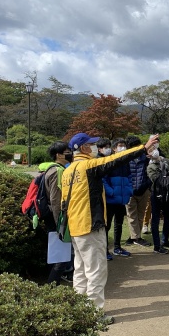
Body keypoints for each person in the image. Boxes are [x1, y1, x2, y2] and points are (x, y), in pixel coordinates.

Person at [61, 132, 159, 321]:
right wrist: (142, 148)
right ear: (83, 149)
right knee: (96, 270)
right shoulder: (88, 165)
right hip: (90, 225)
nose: (95, 148)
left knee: (80, 270)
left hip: (74, 227)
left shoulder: (67, 170)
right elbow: (116, 159)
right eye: (91, 145)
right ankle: (94, 314)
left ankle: (78, 310)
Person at [45, 141, 73, 285]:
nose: (70, 153)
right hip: (57, 219)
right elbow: (56, 200)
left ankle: (53, 283)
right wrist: (60, 225)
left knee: (56, 255)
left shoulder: (49, 169)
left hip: (51, 217)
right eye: (66, 151)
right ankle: (51, 287)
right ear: (58, 155)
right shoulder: (57, 171)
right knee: (60, 256)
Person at [147, 139, 169, 254]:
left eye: (154, 149)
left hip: (168, 195)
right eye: (151, 151)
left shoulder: (168, 161)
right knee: (155, 220)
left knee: (168, 218)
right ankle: (157, 245)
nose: (154, 152)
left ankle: (165, 240)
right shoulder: (150, 166)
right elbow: (157, 180)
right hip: (156, 195)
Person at [103, 138, 132, 258]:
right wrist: (111, 192)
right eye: (120, 146)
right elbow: (103, 179)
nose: (122, 148)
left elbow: (130, 178)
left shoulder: (125, 162)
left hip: (122, 200)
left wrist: (129, 191)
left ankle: (117, 247)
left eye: (124, 146)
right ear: (114, 148)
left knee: (119, 224)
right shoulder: (109, 161)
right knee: (107, 225)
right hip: (111, 200)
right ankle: (104, 250)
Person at [124, 135, 152, 248]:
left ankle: (135, 236)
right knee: (131, 215)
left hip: (143, 190)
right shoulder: (125, 159)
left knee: (141, 215)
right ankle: (136, 237)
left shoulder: (145, 158)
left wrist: (147, 185)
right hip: (130, 191)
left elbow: (150, 173)